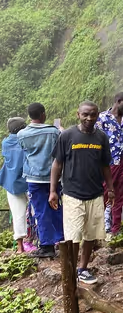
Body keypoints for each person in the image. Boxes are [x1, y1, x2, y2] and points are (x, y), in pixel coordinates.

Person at [49, 101, 115, 285]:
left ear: (97, 116)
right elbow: (57, 164)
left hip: (95, 193)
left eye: (93, 114)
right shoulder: (67, 136)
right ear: (78, 114)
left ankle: (83, 269)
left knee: (90, 235)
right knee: (73, 235)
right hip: (72, 194)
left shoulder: (101, 137)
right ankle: (69, 270)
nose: (89, 118)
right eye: (85, 114)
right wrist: (53, 190)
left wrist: (110, 188)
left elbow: (105, 166)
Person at [17, 103, 64, 259]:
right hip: (53, 177)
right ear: (43, 114)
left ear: (30, 116)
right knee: (56, 207)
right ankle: (62, 240)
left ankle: (47, 245)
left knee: (41, 211)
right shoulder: (53, 132)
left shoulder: (22, 134)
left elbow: (25, 151)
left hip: (34, 177)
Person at [96, 92, 123, 238]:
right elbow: (97, 141)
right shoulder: (102, 118)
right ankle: (103, 227)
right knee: (106, 193)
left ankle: (115, 228)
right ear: (118, 101)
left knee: (120, 194)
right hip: (108, 162)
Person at [0, 117, 34, 253]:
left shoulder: (6, 142)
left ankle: (20, 248)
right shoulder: (26, 140)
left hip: (11, 182)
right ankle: (39, 242)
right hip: (30, 181)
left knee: (17, 214)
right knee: (36, 212)